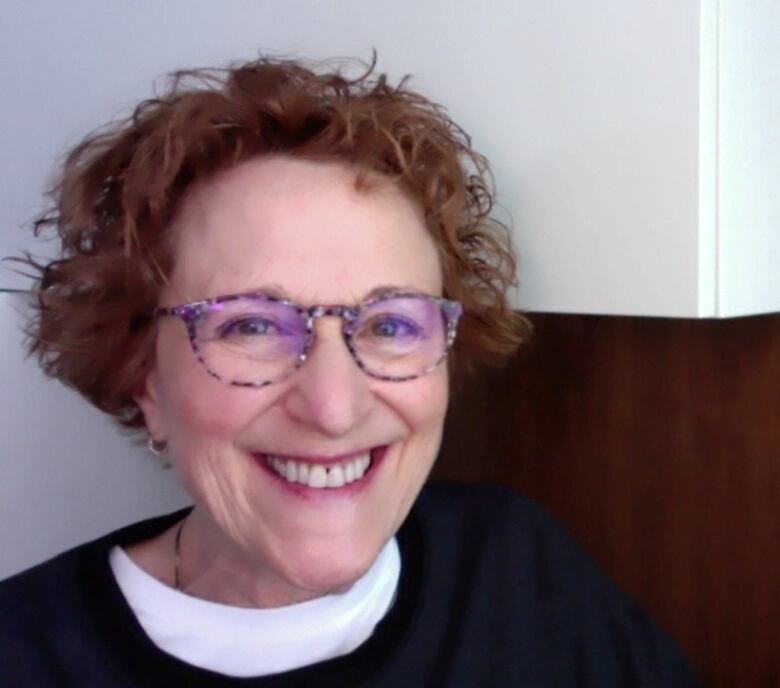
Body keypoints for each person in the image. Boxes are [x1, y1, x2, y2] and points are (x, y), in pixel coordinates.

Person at [0, 56, 699, 686]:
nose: (334, 407)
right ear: (143, 379)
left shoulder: (519, 572)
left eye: (390, 323)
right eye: (250, 326)